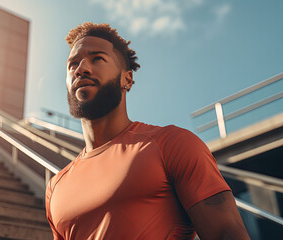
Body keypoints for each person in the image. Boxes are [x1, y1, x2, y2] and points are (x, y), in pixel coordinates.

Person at [45, 22, 250, 240]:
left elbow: (226, 233)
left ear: (127, 79)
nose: (81, 69)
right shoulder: (56, 187)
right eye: (72, 64)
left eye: (97, 58)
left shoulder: (173, 145)